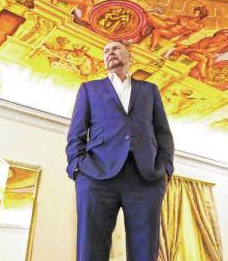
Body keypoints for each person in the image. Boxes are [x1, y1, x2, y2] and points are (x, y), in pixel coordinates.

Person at [66, 41, 174, 261]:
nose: (109, 53)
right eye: (105, 51)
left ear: (129, 55)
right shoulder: (89, 88)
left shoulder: (149, 90)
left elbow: (163, 132)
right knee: (90, 249)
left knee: (145, 250)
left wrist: (166, 169)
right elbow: (76, 132)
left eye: (115, 48)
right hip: (96, 175)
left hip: (145, 177)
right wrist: (77, 168)